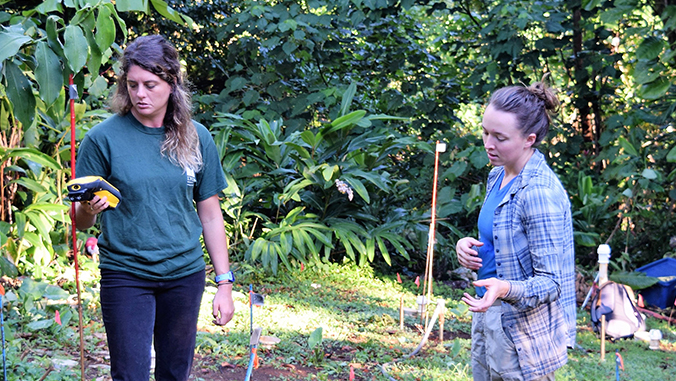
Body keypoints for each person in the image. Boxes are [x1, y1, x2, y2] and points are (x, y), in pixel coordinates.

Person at [73, 35, 235, 381]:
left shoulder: (196, 137)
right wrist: (90, 209)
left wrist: (224, 283)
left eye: (150, 84)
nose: (140, 94)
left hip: (185, 275)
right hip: (126, 273)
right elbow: (80, 220)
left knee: (175, 373)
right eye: (132, 85)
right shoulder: (102, 139)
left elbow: (210, 214)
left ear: (172, 83)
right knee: (130, 374)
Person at [455, 77, 576, 381]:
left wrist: (504, 288)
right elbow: (497, 238)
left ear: (529, 139)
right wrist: (466, 247)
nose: (488, 144)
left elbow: (552, 283)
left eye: (499, 137)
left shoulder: (538, 192)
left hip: (522, 332)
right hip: (489, 313)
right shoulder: (498, 175)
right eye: (484, 132)